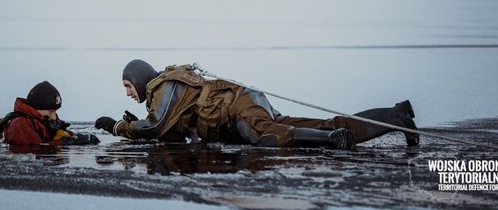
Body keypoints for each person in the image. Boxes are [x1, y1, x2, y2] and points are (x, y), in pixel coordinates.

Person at [95, 60, 419, 150]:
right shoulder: (163, 93)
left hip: (239, 108)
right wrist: (137, 123)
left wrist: (117, 127)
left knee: (259, 136)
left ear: (139, 80)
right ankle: (396, 116)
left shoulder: (166, 84)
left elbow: (154, 127)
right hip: (245, 104)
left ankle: (332, 141)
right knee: (320, 123)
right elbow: (170, 131)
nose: (127, 92)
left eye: (127, 85)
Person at [0, 81, 99, 146]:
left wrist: (80, 138)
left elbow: (58, 134)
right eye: (50, 111)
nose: (54, 117)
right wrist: (65, 143)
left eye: (55, 111)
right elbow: (35, 148)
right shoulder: (20, 124)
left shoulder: (43, 119)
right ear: (36, 108)